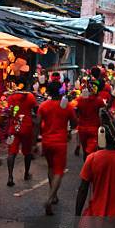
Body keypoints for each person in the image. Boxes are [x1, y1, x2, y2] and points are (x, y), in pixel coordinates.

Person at [38, 81, 77, 215]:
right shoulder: (67, 106)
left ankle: (53, 195)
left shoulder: (43, 106)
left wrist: (35, 142)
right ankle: (50, 198)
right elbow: (74, 122)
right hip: (60, 142)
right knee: (59, 171)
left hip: (46, 141)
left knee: (50, 168)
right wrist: (69, 130)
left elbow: (37, 124)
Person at [6, 78, 38, 187]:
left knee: (11, 152)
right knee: (27, 152)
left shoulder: (10, 97)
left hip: (13, 128)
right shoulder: (30, 96)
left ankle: (10, 176)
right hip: (26, 128)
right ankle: (26, 173)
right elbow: (36, 109)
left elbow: (9, 112)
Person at [74, 75, 107, 159]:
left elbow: (73, 109)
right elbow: (104, 111)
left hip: (82, 129)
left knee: (86, 152)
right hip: (94, 130)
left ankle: (87, 168)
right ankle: (89, 169)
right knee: (90, 153)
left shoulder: (79, 99)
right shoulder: (99, 100)